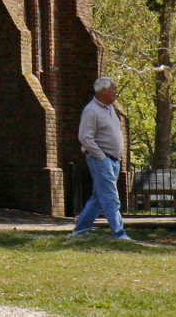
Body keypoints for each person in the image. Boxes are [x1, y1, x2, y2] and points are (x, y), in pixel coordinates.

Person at [68, 77, 134, 242]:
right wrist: (102, 157)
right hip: (101, 160)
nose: (115, 92)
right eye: (113, 89)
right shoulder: (92, 110)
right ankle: (119, 233)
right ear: (103, 90)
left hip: (113, 160)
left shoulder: (110, 108)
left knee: (98, 198)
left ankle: (81, 230)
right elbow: (85, 137)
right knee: (111, 197)